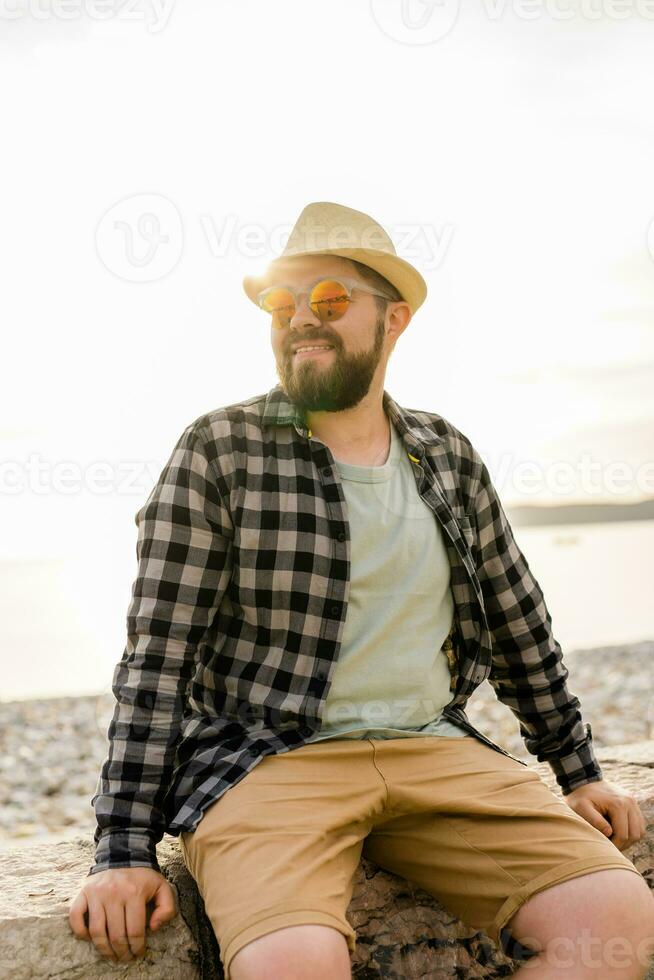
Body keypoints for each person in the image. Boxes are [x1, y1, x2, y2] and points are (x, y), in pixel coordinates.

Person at [69, 202, 654, 980]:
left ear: (395, 319)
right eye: (282, 304)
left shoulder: (447, 454)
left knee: (621, 927)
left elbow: (519, 622)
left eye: (331, 301)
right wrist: (123, 848)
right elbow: (157, 656)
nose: (301, 320)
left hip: (433, 749)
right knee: (291, 967)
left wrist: (577, 769)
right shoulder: (219, 448)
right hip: (268, 763)